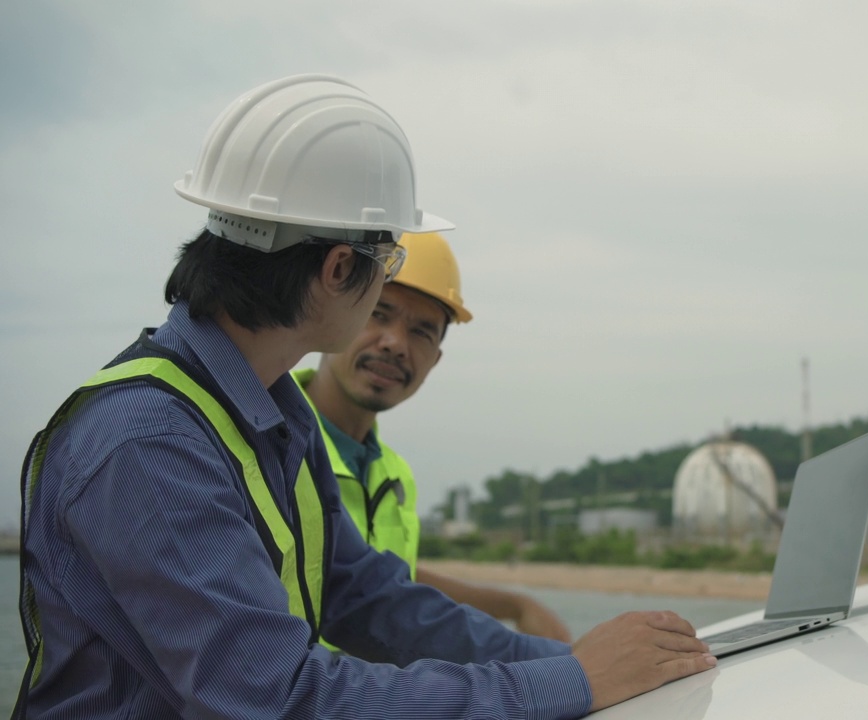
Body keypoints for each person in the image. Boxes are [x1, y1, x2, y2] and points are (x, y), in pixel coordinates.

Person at [13, 74, 714, 719]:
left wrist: (580, 664)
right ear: (340, 267)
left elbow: (365, 597)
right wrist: (570, 684)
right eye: (388, 264)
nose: (388, 299)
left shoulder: (275, 413)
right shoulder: (149, 442)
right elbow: (283, 698)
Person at [294, 230, 572, 642]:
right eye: (378, 312)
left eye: (422, 332)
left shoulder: (394, 475)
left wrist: (513, 606)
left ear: (435, 360)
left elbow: (387, 584)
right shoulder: (271, 442)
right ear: (336, 311)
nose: (396, 345)